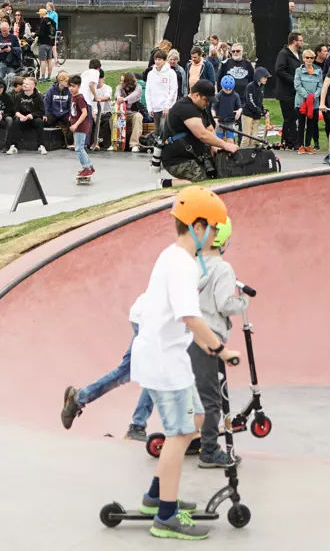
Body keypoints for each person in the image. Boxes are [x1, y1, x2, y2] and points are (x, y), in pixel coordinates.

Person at [127, 186, 240, 540]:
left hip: (171, 356)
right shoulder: (180, 264)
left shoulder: (178, 258)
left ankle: (154, 496)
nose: (215, 236)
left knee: (195, 420)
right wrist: (220, 349)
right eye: (214, 228)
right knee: (178, 436)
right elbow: (191, 317)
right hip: (164, 360)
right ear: (199, 225)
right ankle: (166, 516)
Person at [189, 217, 248, 468]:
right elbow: (224, 303)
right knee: (212, 397)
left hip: (189, 334)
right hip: (209, 336)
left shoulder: (193, 264)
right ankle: (210, 450)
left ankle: (191, 438)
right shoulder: (223, 269)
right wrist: (243, 302)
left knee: (193, 393)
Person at [161, 81, 238, 186]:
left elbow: (209, 129)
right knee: (204, 183)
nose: (207, 104)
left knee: (216, 175)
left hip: (195, 156)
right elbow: (202, 134)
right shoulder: (185, 107)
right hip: (177, 160)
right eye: (206, 100)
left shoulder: (200, 108)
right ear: (197, 95)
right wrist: (225, 145)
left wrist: (216, 147)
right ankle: (166, 184)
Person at [272, 33, 301, 150]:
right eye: (300, 40)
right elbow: (279, 70)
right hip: (285, 91)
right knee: (289, 117)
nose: (302, 43)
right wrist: (293, 80)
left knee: (293, 117)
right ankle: (291, 142)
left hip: (295, 91)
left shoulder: (298, 54)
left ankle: (286, 141)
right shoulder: (283, 54)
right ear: (294, 42)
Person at [294, 46, 323, 153]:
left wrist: (314, 95)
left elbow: (321, 85)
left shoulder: (318, 71)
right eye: (307, 58)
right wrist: (307, 96)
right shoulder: (298, 70)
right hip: (301, 102)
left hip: (314, 102)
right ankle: (300, 145)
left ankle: (308, 145)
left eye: (311, 58)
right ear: (303, 58)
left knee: (312, 124)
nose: (309, 60)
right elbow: (297, 85)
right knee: (301, 125)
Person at [147, 50, 179, 140]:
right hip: (155, 106)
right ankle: (157, 148)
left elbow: (173, 90)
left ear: (164, 60)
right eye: (156, 59)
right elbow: (148, 91)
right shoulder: (151, 74)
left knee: (165, 129)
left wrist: (167, 105)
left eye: (159, 59)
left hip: (166, 107)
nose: (157, 61)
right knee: (157, 130)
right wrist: (149, 107)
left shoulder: (171, 73)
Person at [239, 67, 270, 148]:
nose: (266, 79)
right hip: (248, 114)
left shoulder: (262, 87)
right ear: (259, 77)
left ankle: (250, 156)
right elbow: (250, 102)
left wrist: (264, 110)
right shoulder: (250, 86)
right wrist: (260, 111)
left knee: (254, 138)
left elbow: (259, 102)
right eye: (265, 77)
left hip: (256, 115)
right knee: (246, 137)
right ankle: (242, 155)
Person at [44, 72, 73, 145]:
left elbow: (70, 104)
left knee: (71, 122)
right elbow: (46, 103)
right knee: (45, 121)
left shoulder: (69, 91)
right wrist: (46, 114)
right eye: (66, 81)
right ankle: (44, 141)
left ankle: (69, 142)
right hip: (53, 113)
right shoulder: (51, 90)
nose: (68, 83)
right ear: (60, 81)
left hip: (64, 113)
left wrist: (70, 115)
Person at [213, 74, 242, 139]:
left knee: (230, 139)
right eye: (226, 89)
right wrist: (215, 118)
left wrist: (239, 111)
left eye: (230, 90)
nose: (228, 91)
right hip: (220, 121)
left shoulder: (235, 95)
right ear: (222, 87)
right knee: (218, 140)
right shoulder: (218, 96)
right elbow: (213, 108)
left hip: (230, 121)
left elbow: (240, 107)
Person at [35, 8, 57, 81]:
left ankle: (43, 77)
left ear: (42, 14)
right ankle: (49, 76)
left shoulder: (43, 21)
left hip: (43, 43)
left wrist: (34, 34)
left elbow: (41, 32)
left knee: (43, 60)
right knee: (49, 59)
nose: (39, 15)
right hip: (51, 43)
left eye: (40, 14)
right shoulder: (52, 21)